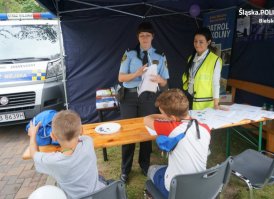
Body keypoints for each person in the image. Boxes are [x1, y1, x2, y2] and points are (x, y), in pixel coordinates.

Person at [118, 21, 169, 183]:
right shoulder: (130, 54)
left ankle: (144, 164)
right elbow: (120, 78)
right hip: (130, 98)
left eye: (148, 35)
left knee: (147, 132)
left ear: (152, 37)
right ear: (138, 37)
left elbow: (165, 82)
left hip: (149, 97)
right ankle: (125, 169)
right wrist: (136, 73)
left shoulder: (160, 56)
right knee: (129, 134)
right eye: (142, 35)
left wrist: (160, 79)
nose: (145, 38)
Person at [144, 89, 211, 198]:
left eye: (163, 114)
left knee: (151, 169)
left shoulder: (171, 127)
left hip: (175, 191)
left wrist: (164, 116)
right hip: (200, 186)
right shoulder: (205, 127)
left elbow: (146, 119)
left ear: (173, 118)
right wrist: (168, 114)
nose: (163, 117)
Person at [28, 110, 106, 199]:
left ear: (53, 136)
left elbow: (33, 154)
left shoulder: (53, 161)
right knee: (99, 175)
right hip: (99, 194)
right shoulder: (88, 141)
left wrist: (33, 135)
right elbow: (77, 139)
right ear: (81, 130)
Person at [182, 27, 223, 110]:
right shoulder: (191, 58)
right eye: (195, 41)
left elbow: (216, 83)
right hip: (190, 98)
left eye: (201, 42)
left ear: (208, 42)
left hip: (205, 103)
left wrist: (216, 104)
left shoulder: (215, 60)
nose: (197, 44)